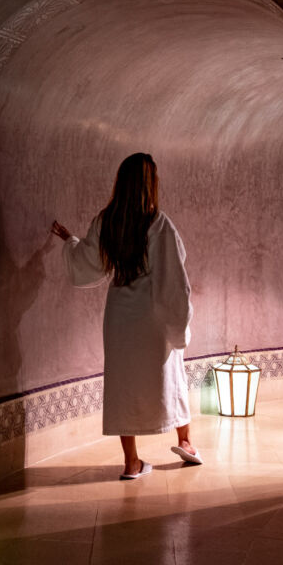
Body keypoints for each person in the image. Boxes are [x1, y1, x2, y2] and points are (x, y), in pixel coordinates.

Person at [51, 153, 201, 479]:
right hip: (152, 315)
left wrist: (70, 241)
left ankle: (132, 463)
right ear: (151, 183)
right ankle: (186, 442)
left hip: (119, 315)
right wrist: (180, 326)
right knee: (171, 373)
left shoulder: (108, 220)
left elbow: (89, 261)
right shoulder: (159, 223)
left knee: (122, 383)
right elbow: (174, 283)